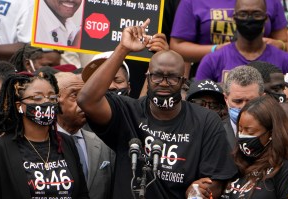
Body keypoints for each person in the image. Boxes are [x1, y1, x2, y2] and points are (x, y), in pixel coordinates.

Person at [77, 19, 237, 199]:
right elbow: (86, 100)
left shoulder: (206, 120)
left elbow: (217, 179)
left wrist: (198, 193)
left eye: (172, 78)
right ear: (147, 77)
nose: (164, 83)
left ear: (183, 81)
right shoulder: (127, 111)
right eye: (157, 76)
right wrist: (123, 48)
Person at [0, 72, 89, 198]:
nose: (46, 102)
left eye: (52, 97)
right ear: (19, 106)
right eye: (37, 98)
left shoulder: (66, 142)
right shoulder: (0, 149)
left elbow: (81, 193)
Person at [195, 0, 288, 82]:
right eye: (243, 14)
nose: (249, 18)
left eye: (256, 14)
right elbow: (198, 102)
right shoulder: (212, 61)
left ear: (266, 18)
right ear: (234, 18)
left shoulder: (286, 61)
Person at [55, 72, 115, 199]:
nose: (83, 102)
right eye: (75, 95)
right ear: (55, 101)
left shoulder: (104, 144)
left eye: (85, 95)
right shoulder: (40, 144)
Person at [220, 95, 288, 198]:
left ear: (271, 133)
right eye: (240, 129)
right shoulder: (234, 161)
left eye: (250, 132)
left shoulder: (286, 168)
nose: (242, 135)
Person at [170, 0, 287, 65]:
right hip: (212, 73)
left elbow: (285, 42)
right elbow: (177, 46)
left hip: (263, 72)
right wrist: (216, 50)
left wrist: (279, 45)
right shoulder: (193, 2)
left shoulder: (272, 1)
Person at [223, 65, 264, 149]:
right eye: (238, 101)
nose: (244, 107)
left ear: (263, 98)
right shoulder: (214, 133)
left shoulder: (276, 132)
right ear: (226, 99)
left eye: (251, 101)